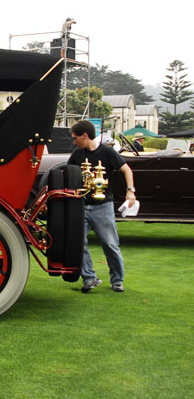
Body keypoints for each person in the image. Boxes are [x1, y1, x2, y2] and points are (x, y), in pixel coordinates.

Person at [68, 120, 136, 293]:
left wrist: (130, 191)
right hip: (82, 205)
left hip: (103, 206)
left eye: (76, 138)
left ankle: (117, 281)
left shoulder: (107, 152)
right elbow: (68, 173)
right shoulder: (77, 154)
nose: (74, 142)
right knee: (78, 244)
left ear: (85, 136)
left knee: (110, 244)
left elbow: (127, 170)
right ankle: (89, 278)